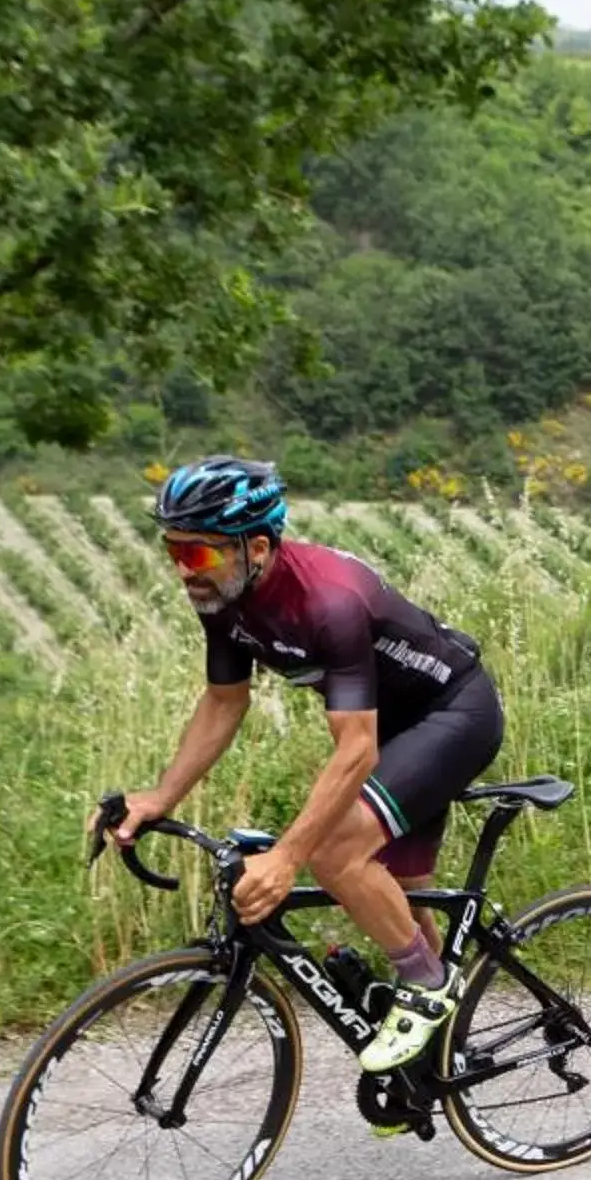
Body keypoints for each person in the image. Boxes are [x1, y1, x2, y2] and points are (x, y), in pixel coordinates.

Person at [99, 457, 502, 1090]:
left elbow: (356, 751)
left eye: (197, 555)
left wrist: (289, 858)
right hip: (391, 726)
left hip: (452, 714)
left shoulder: (327, 600)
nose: (182, 569)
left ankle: (428, 988)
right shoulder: (226, 594)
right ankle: (433, 1070)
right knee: (396, 885)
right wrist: (160, 795)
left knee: (335, 852)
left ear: (255, 546)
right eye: (172, 550)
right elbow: (224, 702)